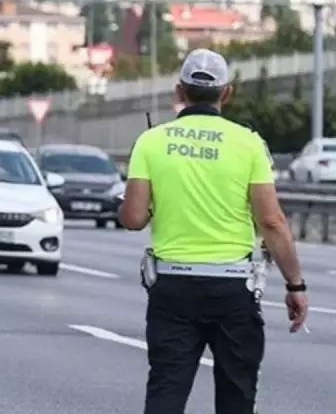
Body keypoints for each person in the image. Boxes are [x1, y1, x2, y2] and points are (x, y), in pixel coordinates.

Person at [119, 48, 309, 414]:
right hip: (232, 289)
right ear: (226, 93)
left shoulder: (152, 141)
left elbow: (133, 218)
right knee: (237, 396)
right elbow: (271, 223)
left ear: (179, 91)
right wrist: (295, 285)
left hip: (172, 288)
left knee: (166, 393)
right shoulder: (248, 143)